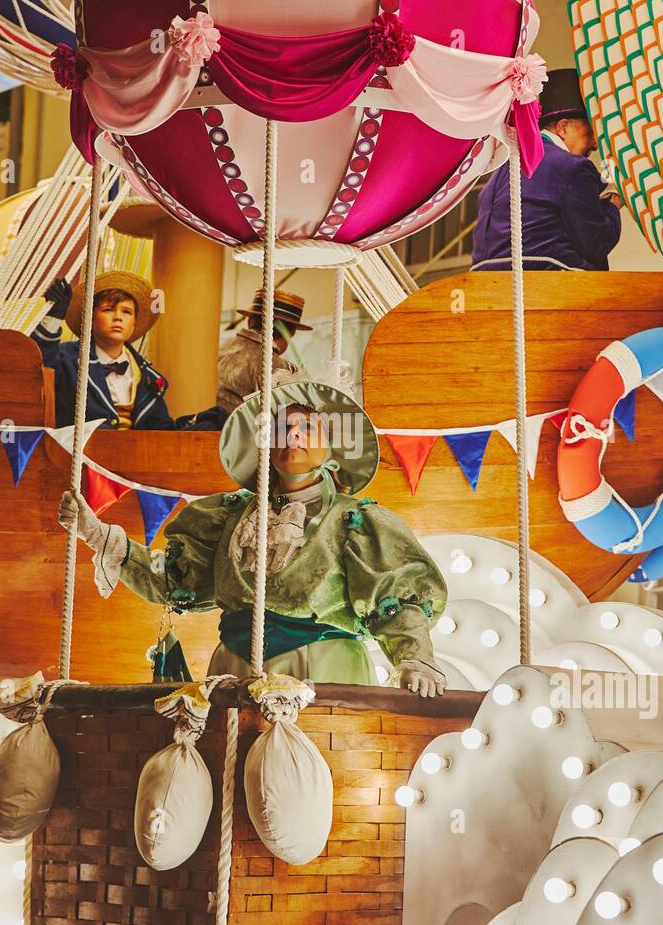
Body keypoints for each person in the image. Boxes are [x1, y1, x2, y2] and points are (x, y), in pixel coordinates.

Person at [59, 378, 449, 696]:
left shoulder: (355, 520)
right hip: (232, 669)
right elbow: (178, 581)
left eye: (308, 427)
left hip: (322, 670)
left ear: (331, 447)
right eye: (282, 428)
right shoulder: (229, 517)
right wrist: (99, 536)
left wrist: (413, 658)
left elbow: (395, 599)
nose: (294, 434)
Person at [471, 67, 623, 272]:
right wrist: (614, 201)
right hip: (552, 282)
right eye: (589, 133)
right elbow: (597, 242)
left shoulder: (502, 170)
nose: (594, 144)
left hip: (487, 281)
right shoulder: (574, 167)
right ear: (563, 128)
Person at [33, 270, 176, 430]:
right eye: (108, 309)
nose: (118, 317)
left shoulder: (147, 376)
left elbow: (162, 428)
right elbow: (37, 365)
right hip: (79, 452)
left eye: (126, 312)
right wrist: (54, 316)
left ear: (134, 323)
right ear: (90, 319)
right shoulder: (68, 359)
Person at [217, 288, 309, 416]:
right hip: (235, 435)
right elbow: (285, 421)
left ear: (249, 321)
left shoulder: (219, 350)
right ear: (292, 332)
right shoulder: (278, 368)